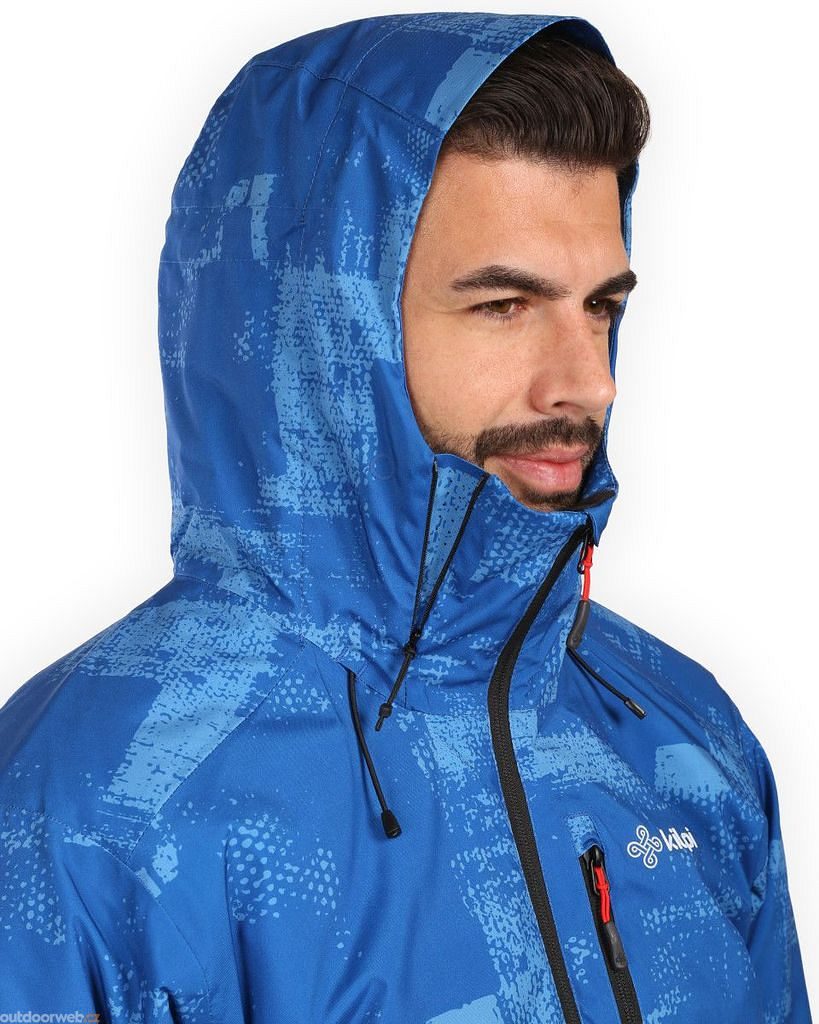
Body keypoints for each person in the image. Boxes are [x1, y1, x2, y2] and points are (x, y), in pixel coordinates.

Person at [0, 11, 811, 1023]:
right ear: (325, 328)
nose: (588, 382)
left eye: (599, 306)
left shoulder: (687, 741)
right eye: (504, 306)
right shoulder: (84, 813)